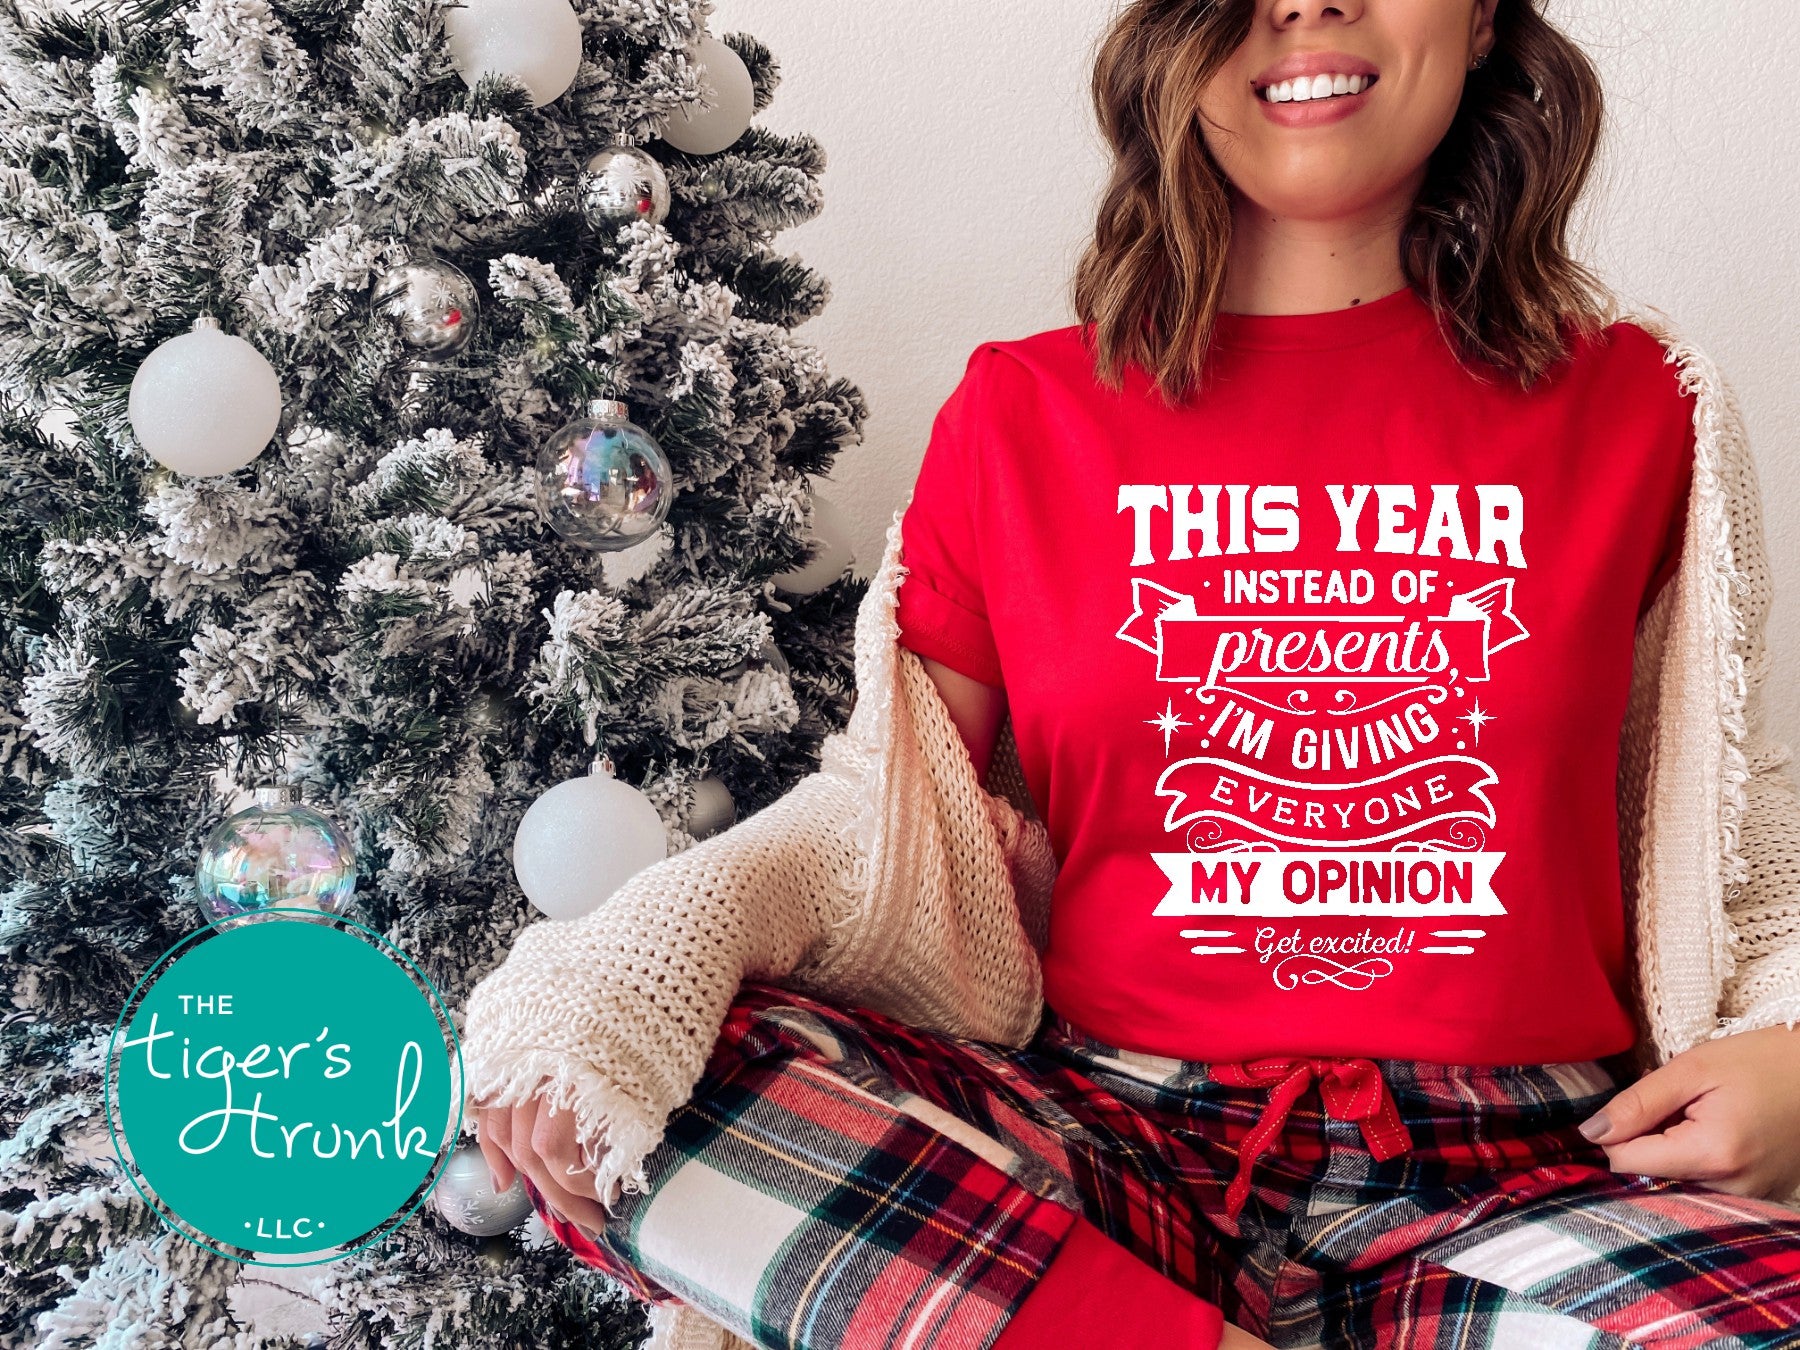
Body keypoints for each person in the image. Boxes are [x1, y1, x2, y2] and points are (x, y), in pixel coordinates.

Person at [471, 1, 1800, 1345]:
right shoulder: (1021, 414)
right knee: (650, 1085)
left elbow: (1733, 818)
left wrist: (1797, 1048)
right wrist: (625, 973)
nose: (1309, 5)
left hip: (1519, 1180)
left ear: (1481, 22)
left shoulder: (1644, 401)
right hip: (1113, 1154)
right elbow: (877, 813)